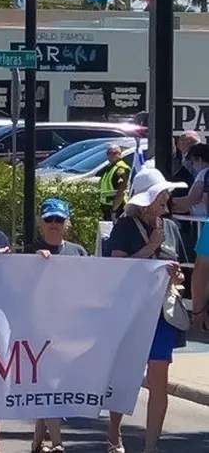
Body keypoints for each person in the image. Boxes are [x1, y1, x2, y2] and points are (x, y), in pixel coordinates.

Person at [104, 168, 186, 453]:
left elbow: (177, 269)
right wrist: (149, 248)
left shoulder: (171, 227)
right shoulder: (126, 225)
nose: (167, 197)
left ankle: (151, 446)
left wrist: (176, 277)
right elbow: (117, 267)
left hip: (162, 312)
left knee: (159, 380)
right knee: (126, 375)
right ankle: (114, 435)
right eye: (162, 192)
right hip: (132, 311)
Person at [22, 199, 80, 453]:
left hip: (70, 329)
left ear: (66, 224)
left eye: (59, 220)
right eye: (49, 220)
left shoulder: (78, 252)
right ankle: (57, 443)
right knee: (49, 384)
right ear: (41, 224)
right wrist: (33, 263)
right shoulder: (30, 252)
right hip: (39, 331)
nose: (54, 225)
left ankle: (37, 442)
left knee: (54, 385)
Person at [99, 144, 130, 221]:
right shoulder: (111, 167)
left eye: (110, 153)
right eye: (108, 153)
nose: (108, 156)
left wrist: (114, 211)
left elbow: (121, 192)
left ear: (117, 154)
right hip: (108, 207)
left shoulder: (121, 168)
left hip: (117, 208)